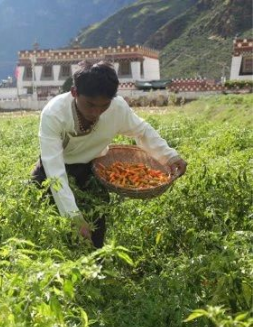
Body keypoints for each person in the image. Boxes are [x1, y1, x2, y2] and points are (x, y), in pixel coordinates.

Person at [31, 61, 187, 248]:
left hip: (91, 170)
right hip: (52, 173)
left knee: (96, 229)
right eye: (90, 105)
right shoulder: (54, 114)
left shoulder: (117, 108)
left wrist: (170, 156)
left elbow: (142, 131)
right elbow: (55, 172)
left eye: (103, 106)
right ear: (74, 93)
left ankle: (95, 269)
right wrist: (73, 216)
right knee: (52, 234)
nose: (96, 112)